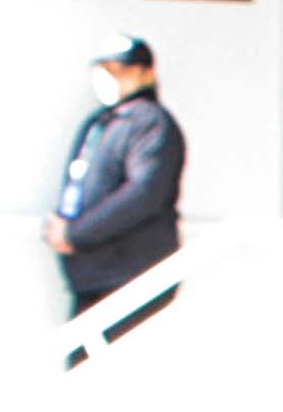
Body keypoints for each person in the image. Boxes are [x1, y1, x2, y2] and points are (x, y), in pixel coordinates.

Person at [44, 36, 184, 339]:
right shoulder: (102, 122)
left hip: (131, 276)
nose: (110, 78)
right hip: (93, 276)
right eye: (104, 70)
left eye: (120, 70)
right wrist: (61, 225)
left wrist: (76, 233)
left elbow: (144, 193)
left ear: (146, 72)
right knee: (81, 361)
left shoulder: (150, 123)